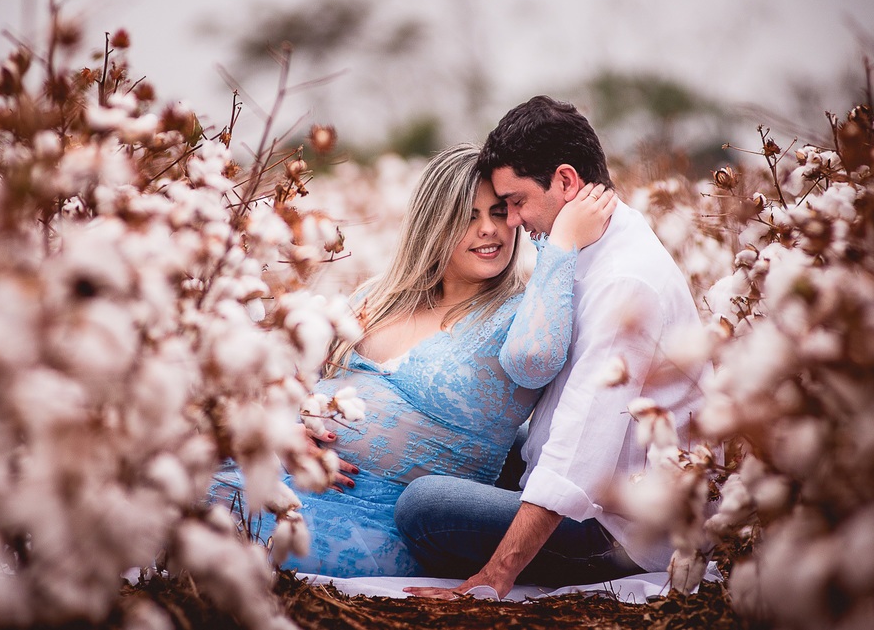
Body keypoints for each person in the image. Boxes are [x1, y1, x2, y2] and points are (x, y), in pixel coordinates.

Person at [213, 142, 615, 577]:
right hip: (285, 475)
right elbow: (292, 381)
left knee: (218, 541)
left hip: (379, 519)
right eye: (468, 216)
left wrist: (562, 245)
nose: (489, 230)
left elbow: (538, 358)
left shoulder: (521, 313)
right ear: (433, 222)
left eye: (499, 213)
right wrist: (282, 430)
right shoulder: (378, 296)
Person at [398, 96, 706, 598]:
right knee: (467, 443)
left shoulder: (624, 282)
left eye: (516, 201)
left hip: (621, 532)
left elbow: (578, 449)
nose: (512, 221)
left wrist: (494, 578)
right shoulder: (592, 245)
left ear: (565, 181)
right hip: (592, 491)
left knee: (424, 506)